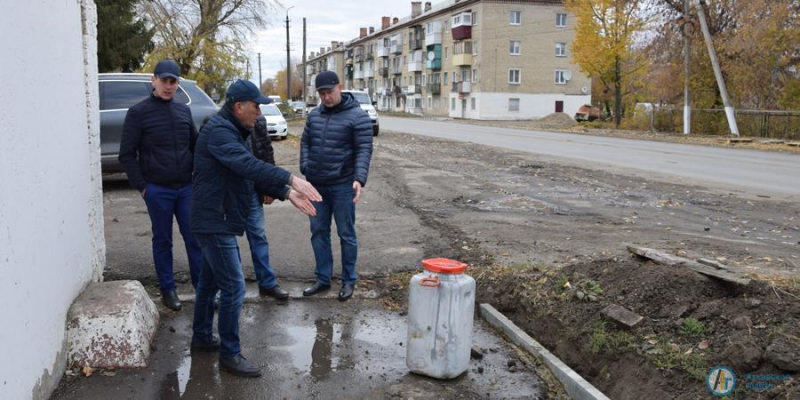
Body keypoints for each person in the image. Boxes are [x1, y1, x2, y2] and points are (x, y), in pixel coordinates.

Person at [190, 79, 321, 377]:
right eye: (256, 106)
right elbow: (248, 165)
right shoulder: (220, 132)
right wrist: (291, 179)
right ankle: (230, 353)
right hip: (214, 220)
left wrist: (287, 193)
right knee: (234, 286)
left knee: (210, 283)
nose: (260, 112)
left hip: (217, 217)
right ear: (239, 107)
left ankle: (200, 336)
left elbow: (248, 173)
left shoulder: (237, 129)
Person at [118, 59, 202, 311]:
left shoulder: (183, 111)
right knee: (163, 240)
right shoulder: (138, 113)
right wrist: (143, 187)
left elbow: (195, 146)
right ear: (153, 80)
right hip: (158, 189)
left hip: (186, 188)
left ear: (178, 84)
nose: (168, 85)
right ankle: (168, 289)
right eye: (163, 80)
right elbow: (126, 154)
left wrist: (198, 176)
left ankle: (203, 289)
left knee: (194, 239)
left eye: (173, 81)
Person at [300, 71, 373, 301]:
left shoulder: (357, 116)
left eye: (329, 92)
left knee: (346, 234)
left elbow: (364, 149)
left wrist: (358, 178)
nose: (326, 97)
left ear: (339, 88)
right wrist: (305, 166)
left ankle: (348, 280)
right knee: (318, 232)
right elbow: (305, 142)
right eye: (322, 94)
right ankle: (323, 278)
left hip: (343, 185)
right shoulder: (314, 115)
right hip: (317, 186)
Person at [247, 116, 290, 300]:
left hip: (252, 191)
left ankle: (267, 283)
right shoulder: (219, 124)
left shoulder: (258, 122)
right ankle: (221, 289)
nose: (258, 111)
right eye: (254, 106)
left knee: (258, 237)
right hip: (229, 194)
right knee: (225, 244)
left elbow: (266, 153)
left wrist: (270, 187)